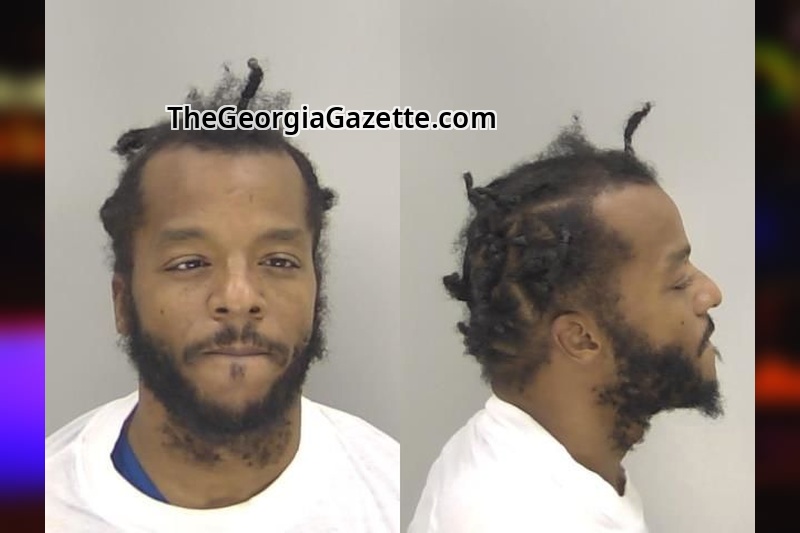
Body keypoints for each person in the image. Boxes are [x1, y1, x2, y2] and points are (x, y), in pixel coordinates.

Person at [45, 59, 399, 532]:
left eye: (279, 261)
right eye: (189, 263)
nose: (238, 297)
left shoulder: (392, 492)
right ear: (123, 302)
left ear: (317, 291)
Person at [408, 105, 724, 532]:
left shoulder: (545, 467)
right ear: (580, 338)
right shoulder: (514, 518)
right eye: (678, 280)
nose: (711, 293)